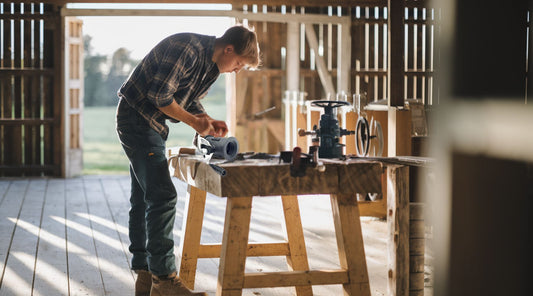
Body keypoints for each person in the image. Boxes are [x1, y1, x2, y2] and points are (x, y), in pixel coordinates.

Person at [115, 24, 260, 296]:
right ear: (229, 48)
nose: (237, 70)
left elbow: (186, 101)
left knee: (145, 197)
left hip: (152, 126)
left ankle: (146, 276)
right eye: (239, 63)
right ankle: (164, 280)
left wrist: (205, 120)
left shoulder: (211, 67)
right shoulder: (188, 49)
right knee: (162, 196)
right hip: (136, 120)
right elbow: (159, 96)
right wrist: (195, 122)